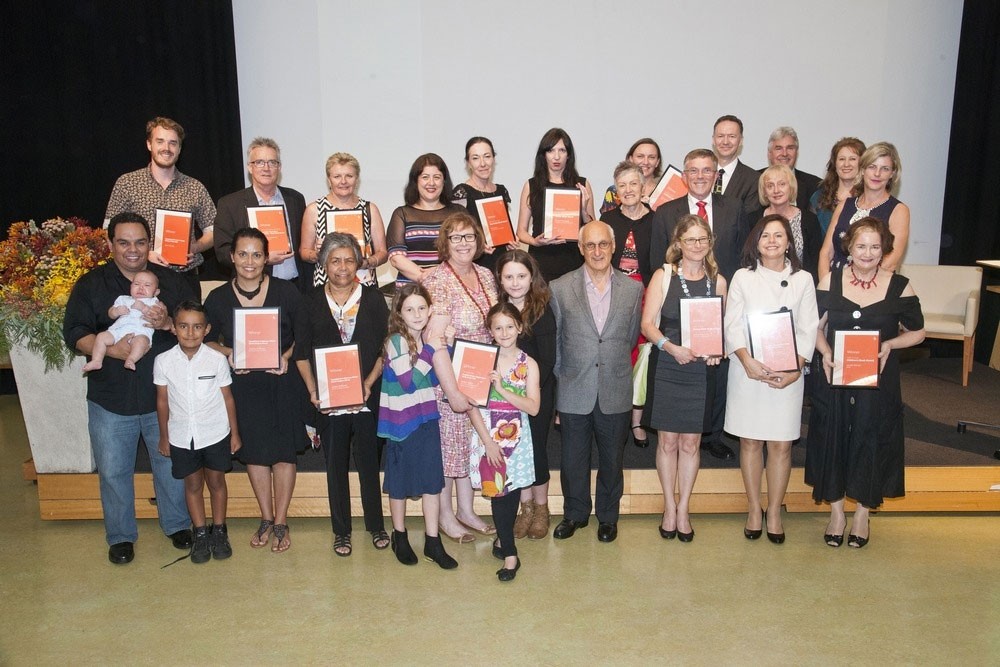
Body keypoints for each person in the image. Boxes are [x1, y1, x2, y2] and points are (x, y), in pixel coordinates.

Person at [63, 212, 195, 564]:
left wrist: (166, 321)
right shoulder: (91, 285)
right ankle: (120, 535)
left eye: (140, 242)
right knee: (113, 470)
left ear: (149, 244)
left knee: (168, 464)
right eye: (123, 242)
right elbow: (74, 331)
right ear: (110, 245)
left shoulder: (171, 282)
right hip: (110, 396)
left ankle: (178, 525)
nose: (132, 250)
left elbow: (195, 328)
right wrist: (109, 349)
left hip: (162, 395)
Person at [806, 217, 924, 548]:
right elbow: (812, 327)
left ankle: (861, 513)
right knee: (834, 437)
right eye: (861, 246)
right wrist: (826, 351)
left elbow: (917, 332)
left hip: (878, 380)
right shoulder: (831, 281)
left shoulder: (900, 286)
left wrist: (889, 344)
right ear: (849, 248)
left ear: (884, 247)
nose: (868, 253)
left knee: (871, 437)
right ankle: (837, 513)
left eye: (875, 246)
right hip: (836, 378)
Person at [204, 228, 309, 553]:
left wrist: (286, 357)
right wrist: (229, 354)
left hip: (282, 382)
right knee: (255, 454)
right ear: (232, 257)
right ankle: (265, 517)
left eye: (257, 254)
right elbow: (206, 338)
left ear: (267, 258)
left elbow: (303, 337)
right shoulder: (218, 298)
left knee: (282, 453)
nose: (250, 261)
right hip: (244, 387)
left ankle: (281, 520)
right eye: (243, 254)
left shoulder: (287, 293)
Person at [724, 214, 819, 543]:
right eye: (766, 235)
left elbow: (809, 327)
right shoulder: (742, 277)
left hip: (788, 374)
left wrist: (797, 368)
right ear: (756, 241)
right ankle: (754, 508)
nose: (773, 241)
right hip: (747, 371)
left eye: (779, 236)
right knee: (750, 442)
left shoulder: (803, 280)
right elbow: (731, 324)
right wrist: (746, 360)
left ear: (789, 242)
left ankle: (775, 510)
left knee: (780, 446)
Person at [295, 233, 389, 557]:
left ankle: (376, 525)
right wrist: (312, 391)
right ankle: (341, 532)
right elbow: (302, 353)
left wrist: (369, 382)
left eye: (349, 260)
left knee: (368, 464)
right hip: (329, 402)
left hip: (366, 397)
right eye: (335, 260)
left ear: (358, 262)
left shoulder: (374, 299)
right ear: (324, 264)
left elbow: (384, 348)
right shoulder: (309, 301)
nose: (343, 267)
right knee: (335, 466)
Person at [649, 148, 746, 461]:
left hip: (716, 301)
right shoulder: (665, 212)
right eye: (694, 170)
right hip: (675, 311)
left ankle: (713, 436)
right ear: (684, 175)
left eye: (707, 170)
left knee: (715, 384)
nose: (701, 176)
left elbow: (741, 257)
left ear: (716, 175)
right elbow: (657, 263)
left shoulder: (734, 208)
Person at [550, 221, 642, 543]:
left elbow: (630, 338)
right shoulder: (560, 287)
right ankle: (575, 514)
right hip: (575, 387)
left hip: (615, 387)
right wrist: (563, 385)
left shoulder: (633, 289)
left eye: (603, 244)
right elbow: (557, 343)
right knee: (573, 459)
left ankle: (608, 517)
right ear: (581, 249)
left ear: (613, 246)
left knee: (612, 459)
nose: (598, 251)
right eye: (591, 245)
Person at [641, 215, 727, 542]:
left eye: (702, 239)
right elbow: (648, 325)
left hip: (701, 371)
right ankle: (668, 506)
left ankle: (685, 508)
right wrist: (671, 347)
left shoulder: (718, 281)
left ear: (710, 243)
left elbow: (722, 329)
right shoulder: (664, 275)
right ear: (678, 243)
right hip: (667, 363)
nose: (696, 246)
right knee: (667, 441)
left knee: (691, 443)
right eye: (690, 240)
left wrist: (718, 350)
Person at [422, 212, 500, 541]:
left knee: (469, 448)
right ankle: (445, 516)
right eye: (456, 237)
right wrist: (451, 391)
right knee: (448, 449)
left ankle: (467, 510)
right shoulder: (436, 280)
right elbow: (433, 340)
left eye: (469, 236)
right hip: (449, 378)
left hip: (481, 375)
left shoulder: (485, 274)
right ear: (445, 243)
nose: (464, 243)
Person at [154, 301, 241, 563]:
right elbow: (162, 401)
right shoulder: (163, 361)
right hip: (181, 435)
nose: (190, 333)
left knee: (216, 482)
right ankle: (200, 532)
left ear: (207, 329)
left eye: (197, 327)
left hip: (215, 433)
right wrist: (164, 436)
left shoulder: (216, 360)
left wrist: (234, 434)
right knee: (192, 484)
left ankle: (219, 530)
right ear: (174, 328)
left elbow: (228, 399)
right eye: (183, 326)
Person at [377, 283, 457, 569]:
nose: (417, 314)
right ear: (399, 312)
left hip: (426, 418)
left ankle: (433, 542)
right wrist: (432, 348)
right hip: (401, 423)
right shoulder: (396, 340)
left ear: (430, 309)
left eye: (422, 308)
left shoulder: (425, 340)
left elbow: (433, 380)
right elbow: (408, 381)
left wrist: (445, 347)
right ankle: (399, 535)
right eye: (409, 309)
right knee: (399, 485)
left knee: (432, 483)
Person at [105, 117, 217, 296]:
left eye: (173, 143)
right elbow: (108, 232)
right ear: (149, 144)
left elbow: (214, 230)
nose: (167, 148)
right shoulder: (127, 183)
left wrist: (195, 247)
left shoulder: (195, 187)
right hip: (140, 281)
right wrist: (144, 253)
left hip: (185, 279)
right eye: (160, 141)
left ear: (180, 148)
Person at [468, 303, 540, 581]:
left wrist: (501, 389)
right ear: (490, 331)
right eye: (498, 327)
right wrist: (487, 441)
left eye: (510, 326)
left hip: (517, 438)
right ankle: (507, 547)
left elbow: (533, 407)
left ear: (520, 327)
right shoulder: (482, 360)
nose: (505, 332)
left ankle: (507, 549)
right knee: (498, 492)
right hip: (488, 437)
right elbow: (471, 404)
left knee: (508, 494)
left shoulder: (528, 364)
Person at [496, 250, 557, 540]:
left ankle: (542, 508)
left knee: (536, 450)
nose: (515, 282)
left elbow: (547, 360)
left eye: (521, 276)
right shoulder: (498, 309)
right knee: (516, 451)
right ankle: (526, 509)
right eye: (509, 276)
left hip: (536, 393)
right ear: (501, 279)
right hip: (503, 395)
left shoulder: (542, 308)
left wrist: (525, 391)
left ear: (531, 277)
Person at [601, 161, 655, 447]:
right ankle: (615, 417)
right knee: (616, 355)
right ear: (616, 191)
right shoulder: (607, 222)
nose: (628, 190)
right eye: (622, 186)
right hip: (613, 297)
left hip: (647, 297)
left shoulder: (657, 220)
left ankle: (636, 421)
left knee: (642, 360)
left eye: (633, 184)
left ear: (643, 187)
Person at [215, 137, 311, 292]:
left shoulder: (295, 199)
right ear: (249, 167)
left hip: (295, 287)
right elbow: (223, 252)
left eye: (272, 162)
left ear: (279, 167)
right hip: (253, 289)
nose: (266, 168)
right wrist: (262, 258)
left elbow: (304, 242)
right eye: (259, 162)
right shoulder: (229, 204)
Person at [819, 142, 910, 280]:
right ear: (862, 170)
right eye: (872, 167)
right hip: (835, 287)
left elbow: (891, 262)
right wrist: (825, 286)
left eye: (885, 168)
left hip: (874, 289)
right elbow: (826, 253)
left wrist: (858, 289)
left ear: (892, 173)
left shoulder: (899, 210)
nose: (877, 173)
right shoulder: (844, 205)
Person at [516, 128, 597, 283]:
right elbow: (521, 231)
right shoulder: (531, 185)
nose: (557, 156)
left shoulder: (581, 185)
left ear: (569, 155)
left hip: (574, 261)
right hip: (541, 261)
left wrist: (583, 211)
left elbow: (593, 230)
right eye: (551, 150)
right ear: (543, 154)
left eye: (562, 150)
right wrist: (534, 242)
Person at [300, 152, 388, 289]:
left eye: (349, 176)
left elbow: (383, 252)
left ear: (357, 179)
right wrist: (318, 254)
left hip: (363, 282)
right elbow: (304, 251)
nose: (343, 181)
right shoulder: (314, 210)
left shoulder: (370, 209)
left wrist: (368, 262)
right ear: (329, 180)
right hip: (325, 285)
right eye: (337, 176)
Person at [387, 153, 465, 286]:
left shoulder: (458, 212)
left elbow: (466, 252)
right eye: (425, 177)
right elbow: (396, 258)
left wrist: (440, 276)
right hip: (411, 293)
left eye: (437, 177)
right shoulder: (402, 214)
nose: (431, 183)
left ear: (444, 181)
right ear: (416, 181)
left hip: (451, 288)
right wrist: (426, 278)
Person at [747, 165, 823, 283]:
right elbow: (749, 257)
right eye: (770, 186)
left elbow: (815, 260)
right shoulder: (752, 220)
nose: (776, 190)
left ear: (791, 187)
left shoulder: (809, 219)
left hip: (800, 286)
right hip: (761, 285)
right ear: (764, 192)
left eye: (782, 184)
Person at [451, 136, 517, 273]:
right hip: (475, 265)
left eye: (487, 156)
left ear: (493, 159)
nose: (482, 163)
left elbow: (503, 228)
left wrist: (511, 240)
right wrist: (478, 245)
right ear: (468, 163)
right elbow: (454, 234)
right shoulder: (461, 192)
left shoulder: (500, 190)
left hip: (502, 264)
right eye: (475, 158)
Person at [81, 269, 160, 372]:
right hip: (118, 330)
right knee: (101, 337)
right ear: (130, 286)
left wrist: (144, 308)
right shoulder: (123, 299)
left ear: (156, 291)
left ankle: (131, 359)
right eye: (136, 284)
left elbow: (156, 317)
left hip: (140, 332)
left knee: (142, 342)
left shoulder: (154, 302)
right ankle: (97, 360)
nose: (141, 288)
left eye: (147, 285)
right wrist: (116, 311)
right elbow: (110, 313)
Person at [810, 137, 866, 237]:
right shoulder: (818, 198)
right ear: (834, 164)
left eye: (852, 159)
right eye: (841, 159)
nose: (846, 164)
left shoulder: (868, 198)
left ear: (863, 164)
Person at [764, 126, 821, 213]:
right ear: (769, 154)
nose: (784, 153)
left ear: (797, 152)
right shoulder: (754, 181)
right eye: (779, 148)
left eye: (790, 148)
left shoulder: (815, 185)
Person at [711, 115, 759, 214]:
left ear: (740, 141)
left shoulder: (754, 180)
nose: (725, 142)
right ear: (713, 140)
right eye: (720, 136)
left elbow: (747, 221)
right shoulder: (700, 175)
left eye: (732, 136)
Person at [600, 138, 662, 213]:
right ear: (631, 159)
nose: (646, 162)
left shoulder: (664, 192)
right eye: (640, 156)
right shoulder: (614, 192)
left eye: (651, 157)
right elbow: (606, 223)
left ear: (657, 162)